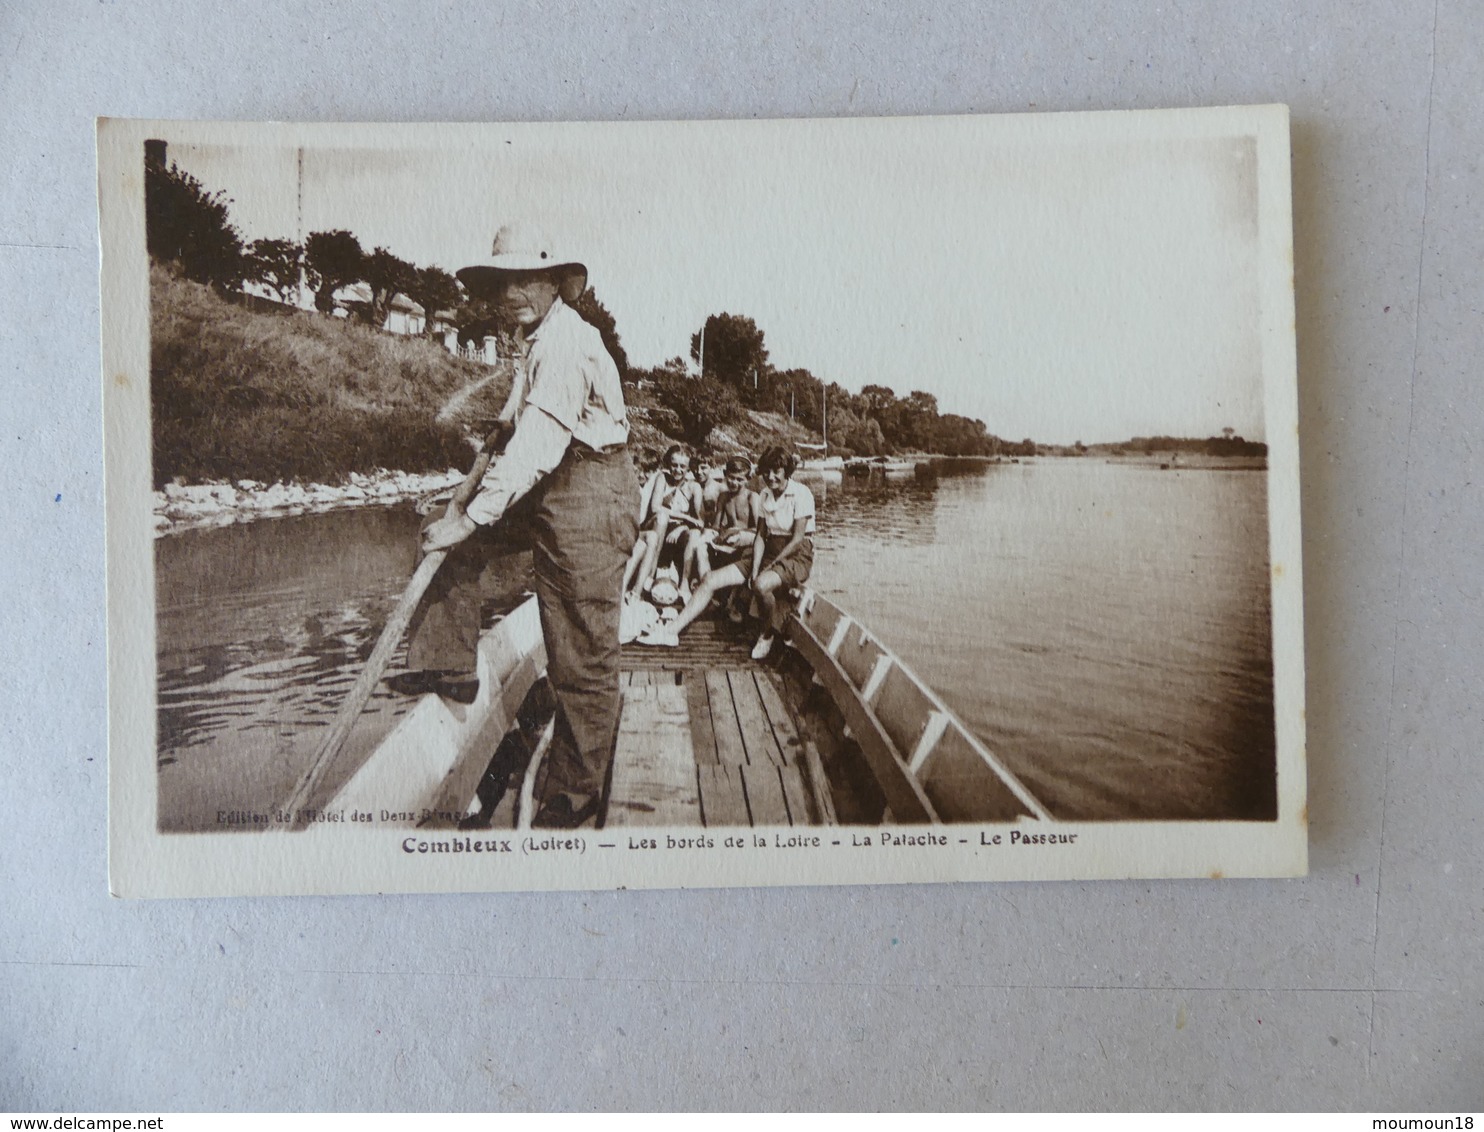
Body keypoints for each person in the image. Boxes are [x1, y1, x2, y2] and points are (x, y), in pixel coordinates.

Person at [410, 222, 638, 830]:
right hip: (552, 479)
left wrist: (474, 516)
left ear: (553, 283)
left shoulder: (566, 340)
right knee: (443, 526)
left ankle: (574, 793)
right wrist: (462, 506)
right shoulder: (534, 338)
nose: (511, 292)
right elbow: (521, 418)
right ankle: (452, 665)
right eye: (501, 282)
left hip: (589, 492)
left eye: (525, 280)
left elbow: (538, 445)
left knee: (581, 649)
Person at [622, 444, 705, 600]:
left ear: (689, 468)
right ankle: (650, 574)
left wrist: (682, 528)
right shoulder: (663, 478)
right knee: (662, 517)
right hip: (656, 525)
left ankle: (684, 584)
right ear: (669, 464)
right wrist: (686, 517)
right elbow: (655, 507)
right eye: (674, 465)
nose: (678, 470)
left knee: (693, 534)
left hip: (679, 530)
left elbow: (699, 522)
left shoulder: (694, 487)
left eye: (682, 466)